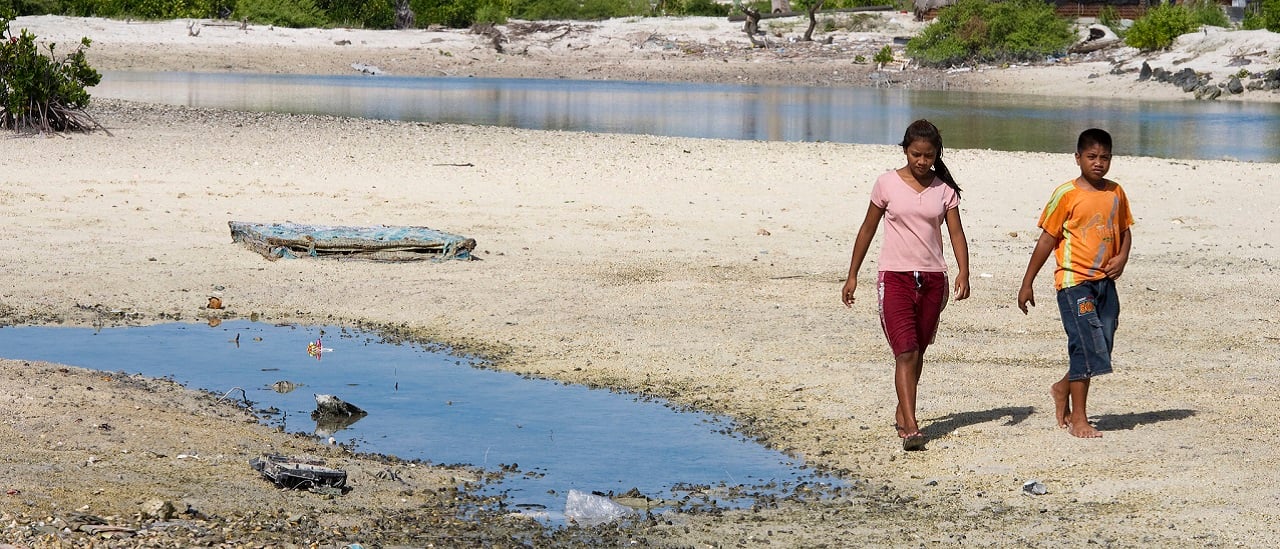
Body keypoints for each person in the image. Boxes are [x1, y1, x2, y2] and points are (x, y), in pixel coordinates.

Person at [841, 119, 971, 451]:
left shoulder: (945, 190)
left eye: (928, 156)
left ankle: (903, 410)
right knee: (906, 350)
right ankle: (911, 427)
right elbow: (867, 228)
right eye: (916, 154)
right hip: (894, 277)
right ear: (905, 150)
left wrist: (963, 272)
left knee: (919, 350)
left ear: (936, 154)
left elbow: (956, 233)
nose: (922, 162)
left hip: (932, 280)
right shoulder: (886, 184)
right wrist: (853, 274)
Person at [1017, 128, 1133, 439]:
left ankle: (1061, 387)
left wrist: (1122, 257)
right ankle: (1079, 419)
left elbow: (1125, 231)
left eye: (1105, 157)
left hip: (1105, 282)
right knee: (1084, 346)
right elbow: (1046, 239)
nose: (1098, 163)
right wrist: (1027, 282)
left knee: (1103, 345)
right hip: (1074, 282)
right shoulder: (1066, 194)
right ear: (1078, 158)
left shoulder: (1116, 193)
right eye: (1092, 157)